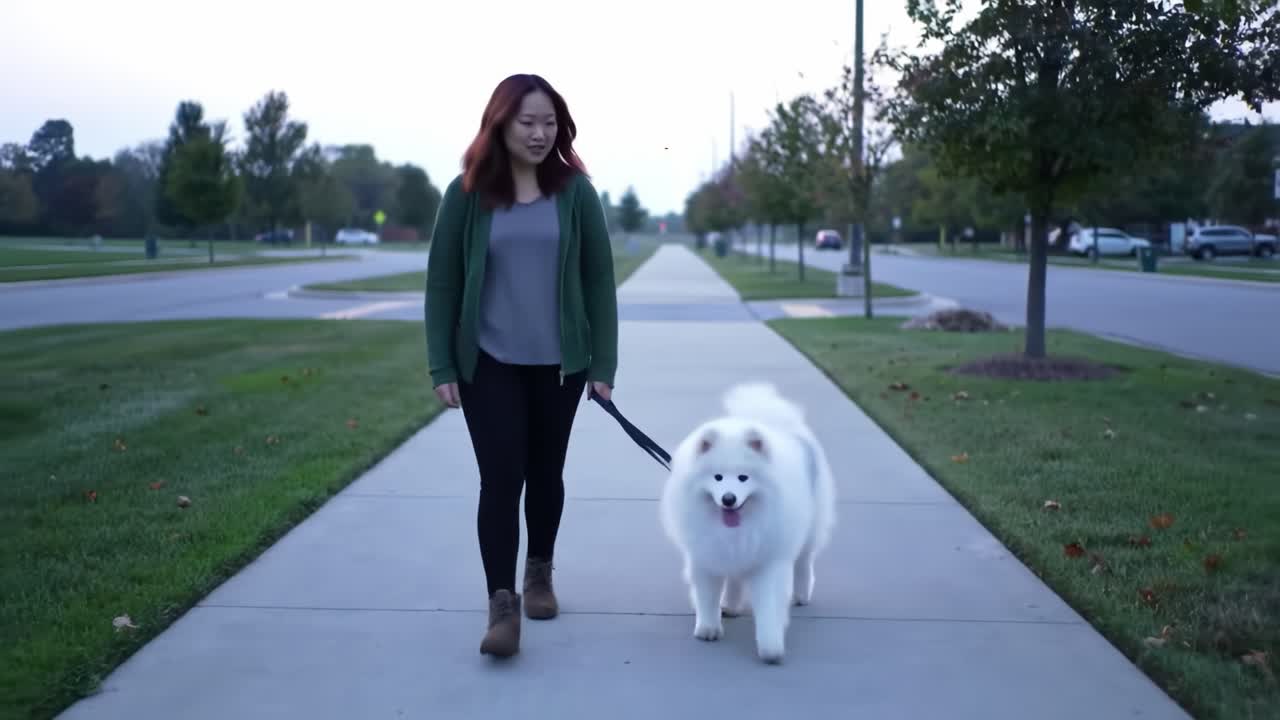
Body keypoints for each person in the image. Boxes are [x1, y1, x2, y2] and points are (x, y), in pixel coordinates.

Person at [424, 73, 619, 658]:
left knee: (545, 473)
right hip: (488, 362)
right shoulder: (466, 193)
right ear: (500, 123)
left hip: (560, 366)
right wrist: (442, 365)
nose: (539, 133)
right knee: (500, 479)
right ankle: (502, 605)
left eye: (549, 122)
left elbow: (598, 281)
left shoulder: (577, 193)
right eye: (527, 122)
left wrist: (603, 365)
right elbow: (442, 282)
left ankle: (539, 572)